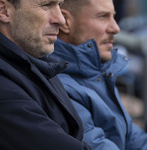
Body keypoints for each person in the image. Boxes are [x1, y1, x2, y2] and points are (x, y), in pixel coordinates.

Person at [0, 0, 91, 149]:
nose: (60, 19)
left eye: (59, 5)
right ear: (3, 11)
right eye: (46, 5)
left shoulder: (29, 61)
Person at [51, 0, 147, 149]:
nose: (115, 28)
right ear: (65, 22)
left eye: (113, 17)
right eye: (103, 17)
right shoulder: (59, 84)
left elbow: (135, 139)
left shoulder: (99, 72)